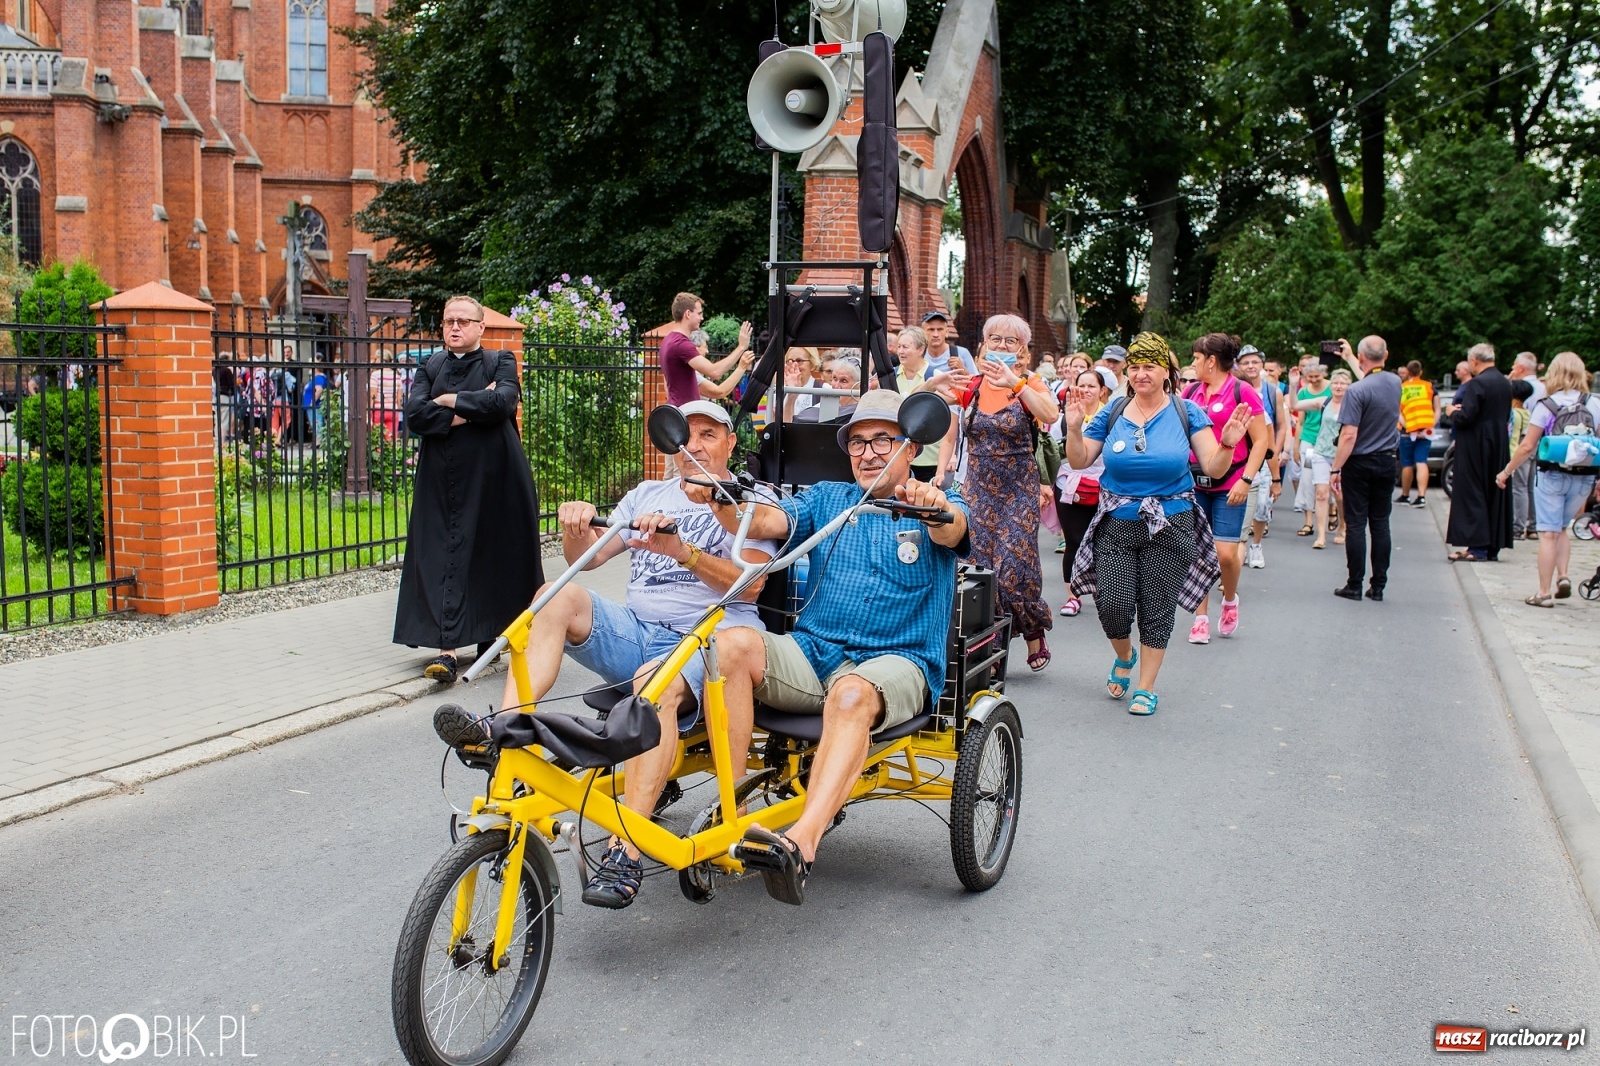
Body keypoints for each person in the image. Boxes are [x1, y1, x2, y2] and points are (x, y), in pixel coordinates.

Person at [437, 400, 778, 908]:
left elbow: (750, 588)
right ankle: (507, 731)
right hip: (640, 629)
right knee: (555, 594)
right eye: (687, 433)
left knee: (650, 681)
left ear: (731, 442)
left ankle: (627, 850)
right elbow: (588, 561)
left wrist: (683, 551)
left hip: (708, 639)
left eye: (710, 434)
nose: (696, 444)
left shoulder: (750, 500)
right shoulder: (647, 493)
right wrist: (576, 531)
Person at [693, 389, 970, 904]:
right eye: (858, 443)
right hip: (816, 651)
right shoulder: (827, 499)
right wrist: (721, 495)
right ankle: (730, 814)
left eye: (883, 440)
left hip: (899, 661)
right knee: (727, 644)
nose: (868, 453)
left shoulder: (936, 503)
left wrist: (936, 508)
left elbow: (952, 531)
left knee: (849, 695)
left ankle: (801, 842)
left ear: (910, 449)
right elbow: (764, 520)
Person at [1062, 331, 1252, 716]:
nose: (1140, 374)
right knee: (1112, 605)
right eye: (1134, 367)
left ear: (1167, 371)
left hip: (1172, 523)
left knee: (1157, 607)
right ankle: (1125, 655)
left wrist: (1229, 444)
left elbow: (1214, 469)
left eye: (1149, 366)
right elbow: (1080, 461)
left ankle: (1146, 687)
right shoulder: (1112, 412)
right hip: (1117, 521)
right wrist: (1073, 428)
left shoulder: (1186, 412)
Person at [393, 295, 544, 683]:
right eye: (448, 322)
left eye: (462, 321)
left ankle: (489, 639)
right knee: (442, 554)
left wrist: (448, 400)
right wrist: (471, 410)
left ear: (479, 327)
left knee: (490, 556)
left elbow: (503, 401)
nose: (454, 328)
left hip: (496, 477)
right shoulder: (430, 365)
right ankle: (447, 652)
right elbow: (415, 415)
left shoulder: (501, 361)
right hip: (440, 480)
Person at [960, 314, 1061, 670]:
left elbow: (1050, 413)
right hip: (976, 488)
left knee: (1013, 569)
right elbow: (943, 424)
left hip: (1019, 487)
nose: (1002, 346)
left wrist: (1015, 384)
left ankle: (1032, 629)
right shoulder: (972, 384)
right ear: (983, 345)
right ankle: (989, 650)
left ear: (1023, 350)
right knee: (978, 571)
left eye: (1011, 341)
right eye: (995, 339)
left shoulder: (1030, 382)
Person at [1181, 333, 1270, 643]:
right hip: (1195, 482)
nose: (1192, 363)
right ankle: (1201, 616)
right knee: (1196, 551)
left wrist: (1247, 480)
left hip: (1231, 482)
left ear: (1211, 361)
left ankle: (1230, 600)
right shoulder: (1191, 391)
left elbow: (1261, 441)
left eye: (1195, 358)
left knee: (1226, 555)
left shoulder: (1241, 390)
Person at [1497, 352, 1600, 606]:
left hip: (1552, 474)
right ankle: (1563, 576)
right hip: (1583, 477)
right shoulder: (1594, 404)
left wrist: (1506, 471)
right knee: (1562, 528)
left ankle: (1543, 593)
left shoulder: (1547, 404)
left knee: (1547, 533)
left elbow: (1527, 446)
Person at [1328, 336, 1402, 599]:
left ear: (1361, 358)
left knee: (1356, 523)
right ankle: (1379, 585)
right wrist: (1351, 358)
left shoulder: (1356, 392)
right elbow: (1374, 379)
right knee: (1381, 523)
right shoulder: (1395, 382)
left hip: (1359, 461)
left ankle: (1354, 583)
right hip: (1386, 459)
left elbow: (1349, 435)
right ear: (1386, 354)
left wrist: (1336, 468)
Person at [1444, 343, 1514, 563]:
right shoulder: (1504, 382)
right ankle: (1492, 545)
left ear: (1474, 360)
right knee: (1493, 491)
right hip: (1498, 440)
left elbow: (1466, 416)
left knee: (1472, 490)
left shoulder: (1477, 383)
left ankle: (1477, 547)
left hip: (1476, 442)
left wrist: (1451, 412)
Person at [1055, 368, 1109, 617]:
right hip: (1070, 487)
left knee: (1103, 541)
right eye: (1081, 385)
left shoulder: (1110, 417)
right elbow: (1052, 451)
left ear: (1103, 391)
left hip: (1104, 487)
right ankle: (1073, 596)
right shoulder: (1064, 417)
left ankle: (1104, 592)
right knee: (1074, 541)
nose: (1086, 391)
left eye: (1091, 386)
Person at [1235, 345, 1285, 570]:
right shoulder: (1238, 389)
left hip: (1265, 454)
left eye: (1254, 362)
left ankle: (1255, 544)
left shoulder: (1272, 391)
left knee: (1263, 505)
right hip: (1241, 458)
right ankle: (1239, 547)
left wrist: (1276, 468)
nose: (1251, 366)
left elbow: (1279, 426)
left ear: (1262, 365)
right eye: (1245, 363)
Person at [658, 292, 751, 407]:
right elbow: (715, 372)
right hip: (687, 415)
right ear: (688, 313)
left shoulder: (668, 340)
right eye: (699, 313)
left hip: (679, 413)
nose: (701, 318)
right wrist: (741, 348)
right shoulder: (680, 344)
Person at [1302, 369, 1353, 549]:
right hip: (1321, 452)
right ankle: (1321, 535)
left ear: (1349, 386)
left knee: (1339, 495)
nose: (1338, 386)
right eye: (1335, 383)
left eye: (1342, 383)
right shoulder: (1325, 402)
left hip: (1342, 456)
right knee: (1321, 493)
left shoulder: (1353, 404)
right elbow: (1295, 404)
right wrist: (1293, 385)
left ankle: (1342, 526)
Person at [1291, 362, 1331, 528]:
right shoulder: (1304, 392)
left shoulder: (1332, 388)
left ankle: (1333, 510)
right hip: (1309, 439)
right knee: (1307, 477)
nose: (1314, 380)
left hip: (1329, 440)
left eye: (1317, 376)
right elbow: (1300, 421)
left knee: (1329, 479)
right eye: (1310, 377)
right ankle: (1308, 521)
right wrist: (1296, 445)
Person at [1395, 358, 1438, 507]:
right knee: (1421, 462)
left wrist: (1407, 425)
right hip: (1426, 428)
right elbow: (1436, 407)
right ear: (1421, 372)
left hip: (1408, 430)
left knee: (1406, 464)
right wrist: (1432, 424)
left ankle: (1405, 495)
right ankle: (1421, 497)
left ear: (1407, 372)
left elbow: (1397, 411)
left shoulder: (1403, 388)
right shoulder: (1428, 386)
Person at [1508, 378, 1537, 539]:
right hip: (1534, 447)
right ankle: (1533, 526)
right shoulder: (1528, 412)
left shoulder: (1514, 413)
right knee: (1530, 486)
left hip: (1521, 447)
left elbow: (1512, 437)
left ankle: (1517, 527)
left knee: (1519, 487)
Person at [922, 310, 978, 375]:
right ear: (923, 332)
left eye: (940, 329)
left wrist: (962, 370)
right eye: (931, 330)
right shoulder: (918, 356)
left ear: (947, 332)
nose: (936, 334)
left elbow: (977, 383)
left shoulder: (961, 353)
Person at [781, 347, 825, 422]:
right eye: (790, 361)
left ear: (812, 365)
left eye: (799, 361)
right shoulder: (779, 392)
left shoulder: (825, 390)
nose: (794, 365)